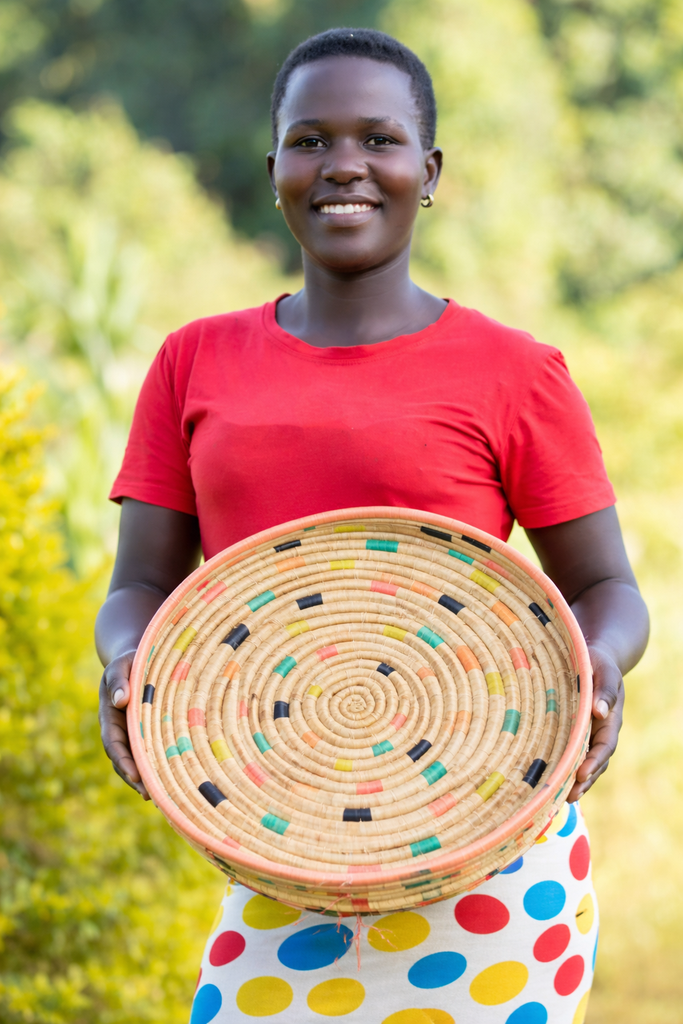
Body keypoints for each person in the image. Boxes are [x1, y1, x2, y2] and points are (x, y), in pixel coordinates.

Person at [96, 28, 649, 1024]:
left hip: (490, 855)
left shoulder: (513, 372)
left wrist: (595, 668)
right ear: (272, 169)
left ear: (426, 172)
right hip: (283, 851)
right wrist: (130, 666)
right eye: (309, 140)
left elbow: (604, 587)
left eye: (377, 140)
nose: (342, 164)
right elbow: (138, 585)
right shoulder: (194, 361)